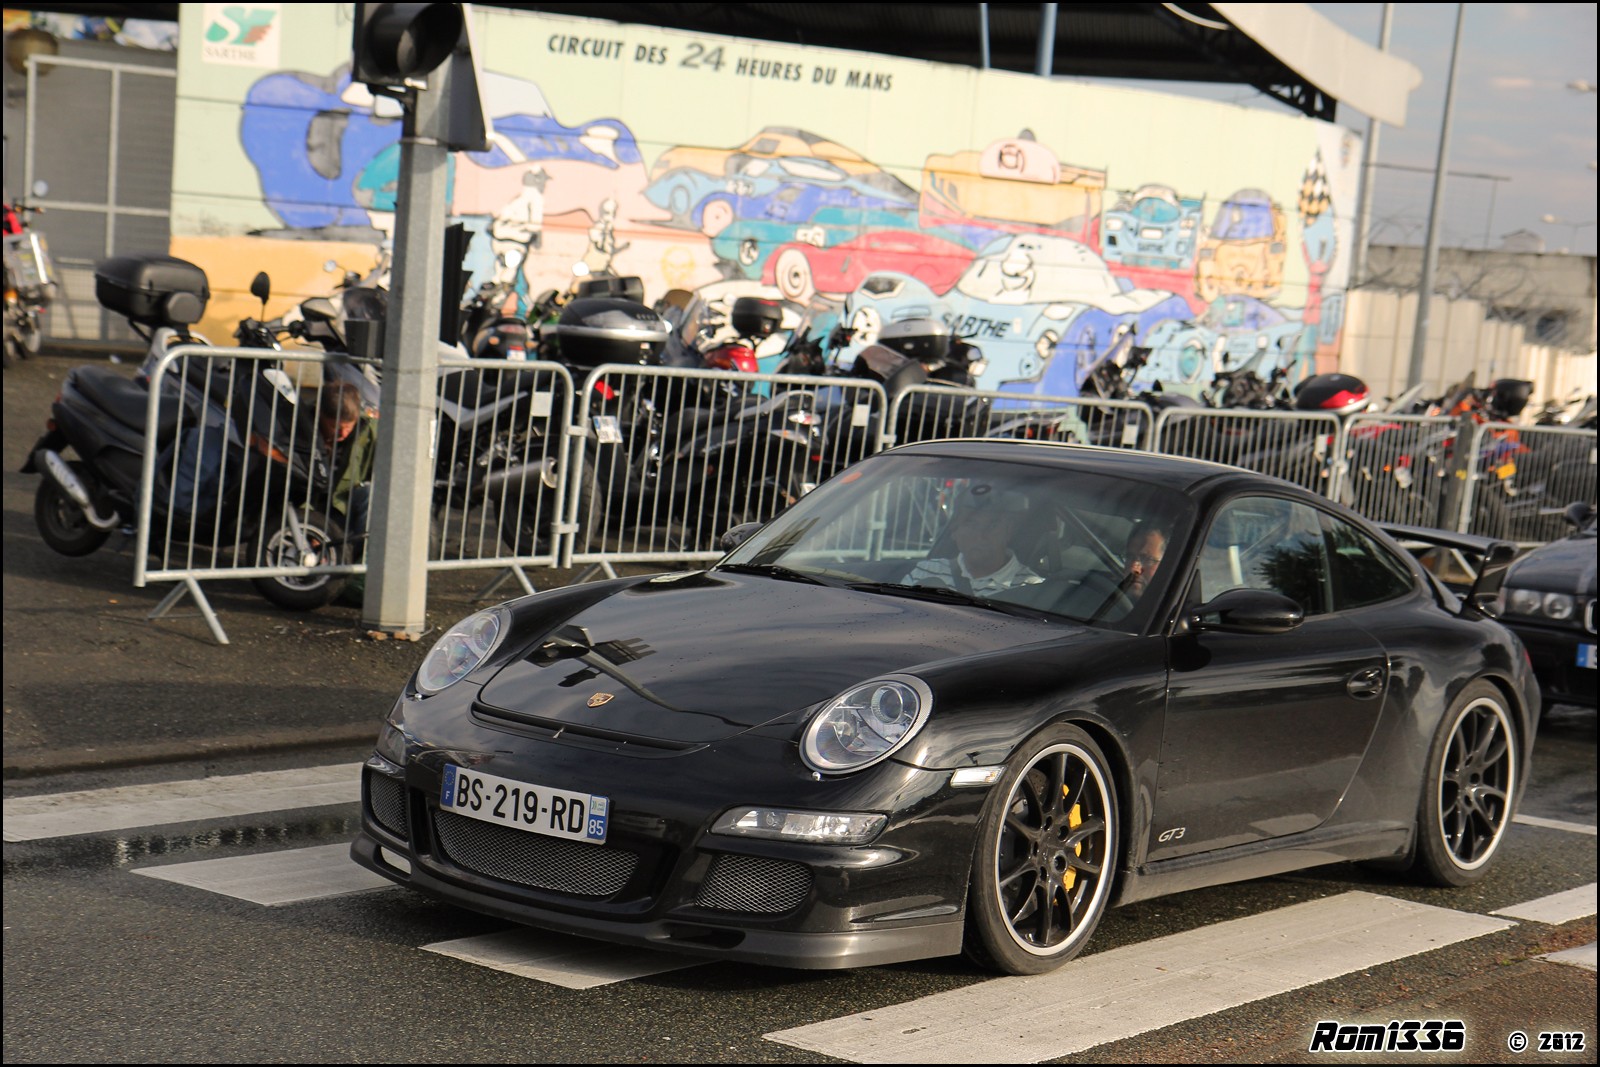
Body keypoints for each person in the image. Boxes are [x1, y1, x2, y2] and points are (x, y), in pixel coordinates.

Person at [904, 484, 1043, 596]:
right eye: (971, 524)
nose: (980, 535)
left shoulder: (1032, 588)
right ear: (954, 531)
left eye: (993, 525)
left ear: (1008, 532)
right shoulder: (925, 572)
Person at [1123, 522, 1167, 599]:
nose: (1134, 569)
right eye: (1130, 557)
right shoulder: (1105, 590)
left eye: (1147, 560)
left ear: (1166, 565)